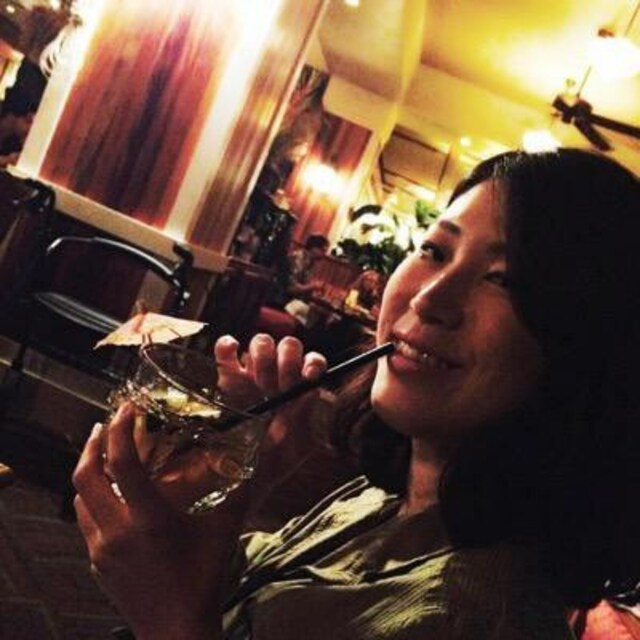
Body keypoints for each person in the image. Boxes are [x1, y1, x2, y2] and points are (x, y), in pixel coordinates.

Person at [72, 149, 640, 640]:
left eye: (503, 279)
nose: (429, 298)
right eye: (435, 251)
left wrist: (171, 625)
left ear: (587, 350)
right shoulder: (390, 498)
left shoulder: (479, 619)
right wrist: (239, 491)